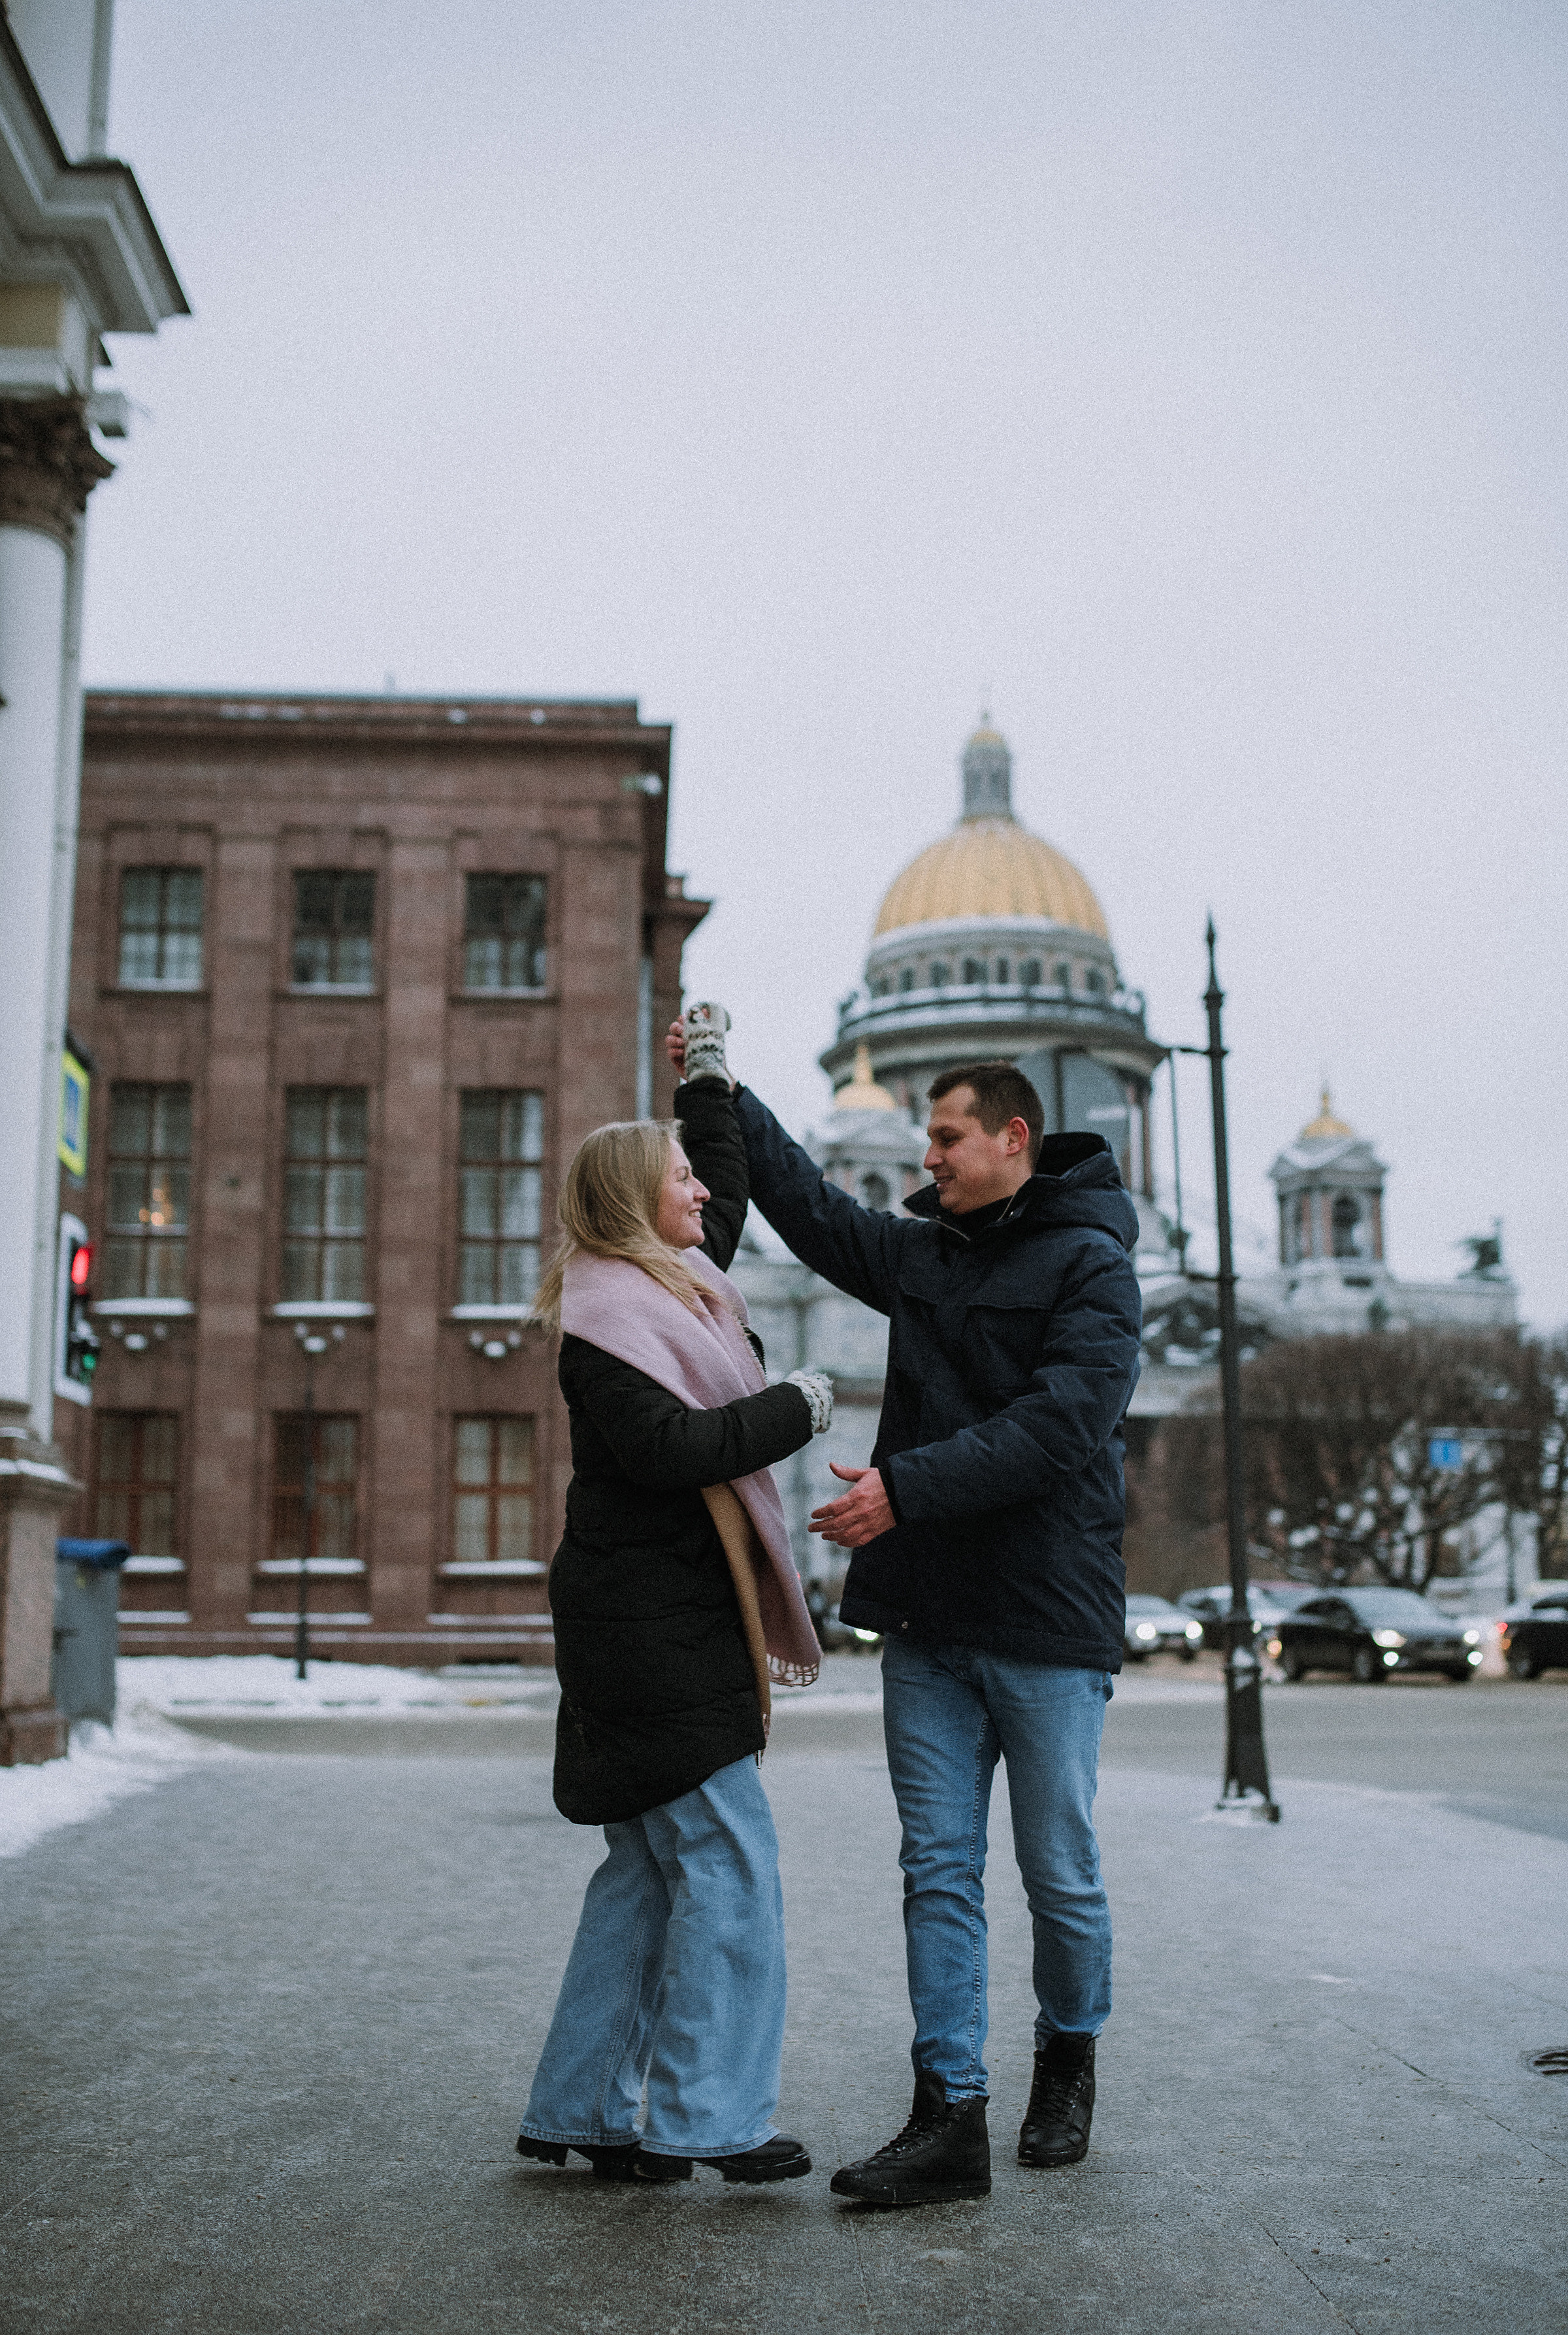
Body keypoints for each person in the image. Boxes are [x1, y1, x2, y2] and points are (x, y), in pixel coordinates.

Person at [665, 1028, 1140, 2208]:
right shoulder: (926, 1253)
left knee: (1060, 1871)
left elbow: (1060, 1427)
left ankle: (1069, 2053)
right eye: (921, 1140)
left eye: (946, 1139)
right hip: (932, 1621)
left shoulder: (1096, 1265)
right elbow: (813, 1211)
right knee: (937, 1871)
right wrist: (722, 1087)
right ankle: (949, 2118)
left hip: (1045, 1621)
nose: (926, 1160)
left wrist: (904, 1490)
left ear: (1012, 1139)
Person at [516, 1006, 832, 2187]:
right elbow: (670, 1448)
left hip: (650, 1625)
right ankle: (714, 2117)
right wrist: (794, 1406)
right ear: (630, 1203)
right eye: (680, 1180)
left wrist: (710, 1078)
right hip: (651, 1633)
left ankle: (589, 2108)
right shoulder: (609, 1320)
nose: (702, 1194)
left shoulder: (668, 1288)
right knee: (731, 1867)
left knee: (648, 1876)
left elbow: (730, 1197)